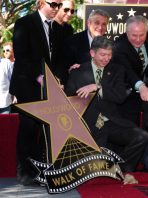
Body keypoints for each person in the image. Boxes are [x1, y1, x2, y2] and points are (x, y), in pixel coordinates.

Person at [65, 36, 148, 174]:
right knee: (92, 168)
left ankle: (122, 170)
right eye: (103, 54)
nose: (106, 59)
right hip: (88, 126)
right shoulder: (77, 72)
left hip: (112, 122)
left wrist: (97, 87)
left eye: (109, 55)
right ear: (92, 53)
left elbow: (120, 96)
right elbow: (70, 99)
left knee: (142, 136)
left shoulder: (117, 70)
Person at [9, 0, 62, 185]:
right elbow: (22, 56)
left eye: (59, 5)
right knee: (28, 128)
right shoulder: (25, 23)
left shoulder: (57, 28)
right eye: (53, 4)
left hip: (48, 89)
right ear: (41, 3)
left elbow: (55, 59)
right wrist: (40, 76)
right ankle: (24, 171)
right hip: (27, 86)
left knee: (43, 130)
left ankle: (38, 171)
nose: (56, 8)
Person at [112, 15, 148, 126]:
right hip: (128, 95)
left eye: (142, 35)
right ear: (127, 32)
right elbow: (128, 70)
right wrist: (141, 86)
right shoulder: (119, 47)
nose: (138, 39)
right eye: (134, 35)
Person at [63, 9, 109, 77]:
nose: (100, 27)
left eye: (104, 24)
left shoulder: (109, 45)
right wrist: (71, 70)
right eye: (97, 23)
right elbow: (64, 69)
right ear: (89, 23)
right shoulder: (72, 42)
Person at [53, 0, 75, 85]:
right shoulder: (47, 26)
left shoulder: (69, 29)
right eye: (66, 10)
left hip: (66, 77)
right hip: (50, 77)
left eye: (72, 11)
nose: (69, 14)